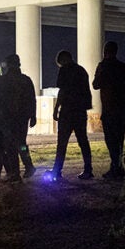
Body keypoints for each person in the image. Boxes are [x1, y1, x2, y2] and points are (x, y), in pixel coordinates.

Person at [92, 41, 125, 180]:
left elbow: (95, 85)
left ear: (105, 51)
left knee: (111, 139)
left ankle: (115, 167)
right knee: (119, 139)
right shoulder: (123, 67)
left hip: (109, 109)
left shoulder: (103, 66)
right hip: (121, 109)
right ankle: (119, 167)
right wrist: (122, 97)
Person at [47, 50, 93, 183]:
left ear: (63, 60)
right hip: (80, 110)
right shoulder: (81, 70)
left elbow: (62, 91)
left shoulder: (65, 70)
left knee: (62, 142)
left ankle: (57, 170)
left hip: (67, 110)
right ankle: (88, 170)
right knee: (83, 140)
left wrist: (56, 109)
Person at [0, 54, 37, 183]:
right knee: (22, 143)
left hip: (8, 118)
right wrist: (33, 115)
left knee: (10, 146)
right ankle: (28, 165)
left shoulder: (4, 81)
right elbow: (32, 99)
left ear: (8, 65)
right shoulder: (26, 80)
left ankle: (15, 172)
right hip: (22, 118)